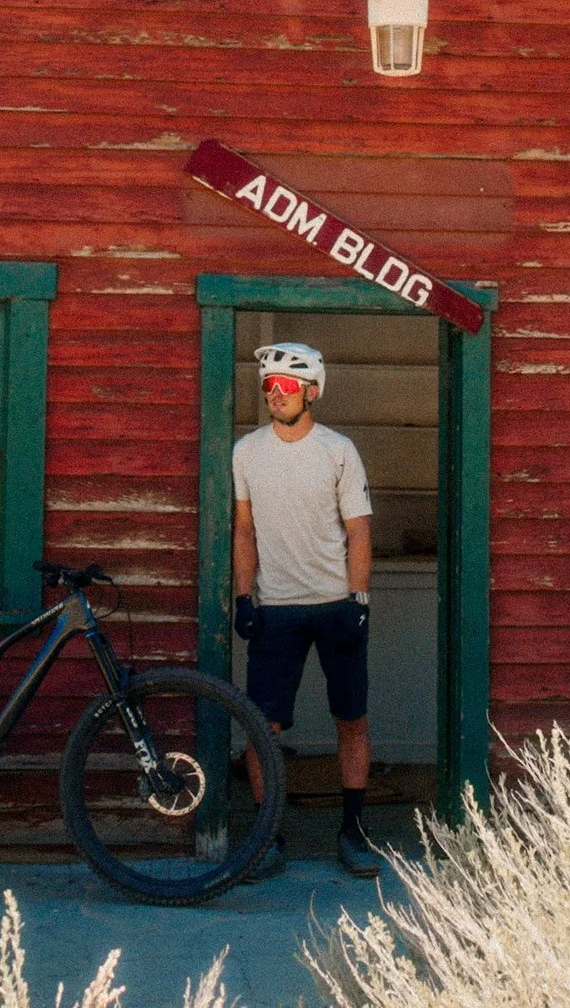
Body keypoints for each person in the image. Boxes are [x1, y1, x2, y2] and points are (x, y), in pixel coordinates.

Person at [232, 341, 382, 880]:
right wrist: (243, 595)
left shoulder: (337, 450)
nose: (276, 393)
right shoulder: (246, 451)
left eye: (287, 386)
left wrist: (358, 599)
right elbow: (244, 527)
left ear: (312, 392)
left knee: (352, 720)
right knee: (261, 727)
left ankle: (354, 832)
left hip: (335, 605)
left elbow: (359, 529)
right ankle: (268, 835)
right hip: (276, 610)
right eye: (268, 385)